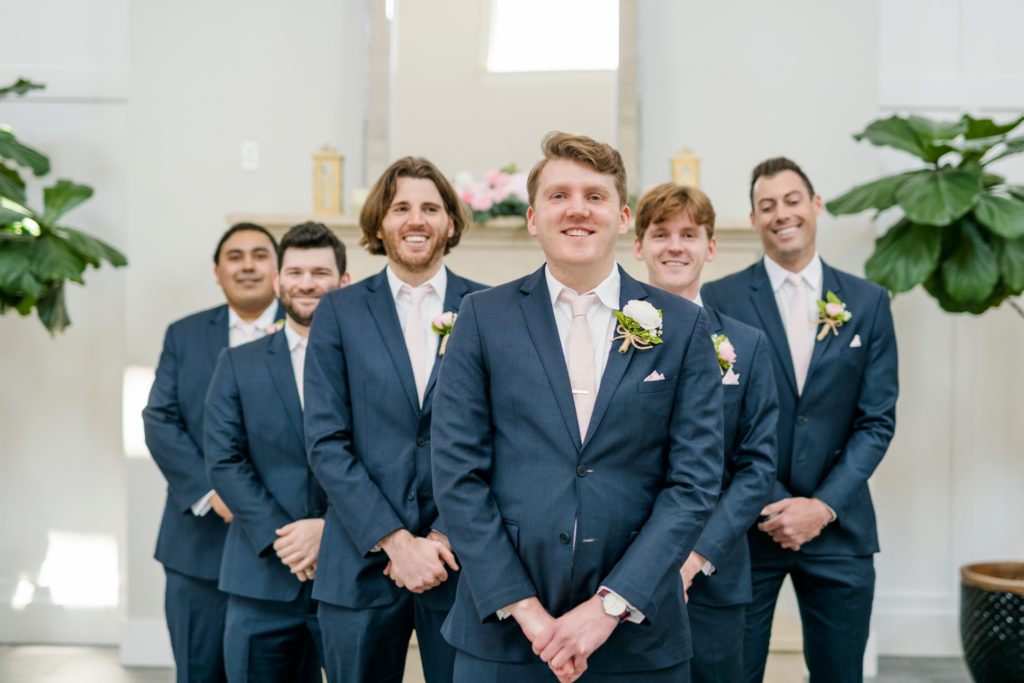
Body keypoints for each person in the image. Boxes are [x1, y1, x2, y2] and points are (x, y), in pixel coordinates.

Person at [431, 132, 724, 683]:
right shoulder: (482, 317)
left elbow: (694, 483)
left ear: (623, 217)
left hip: (638, 634)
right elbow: (457, 475)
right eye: (559, 195)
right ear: (533, 218)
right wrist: (526, 610)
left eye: (595, 196)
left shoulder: (684, 326)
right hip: (504, 631)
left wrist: (610, 606)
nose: (577, 210)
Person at [701, 157, 899, 683]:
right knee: (733, 673)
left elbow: (876, 421)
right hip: (748, 528)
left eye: (792, 201)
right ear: (754, 219)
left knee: (840, 674)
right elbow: (719, 420)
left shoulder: (868, 302)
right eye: (767, 206)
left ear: (815, 205)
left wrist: (822, 507)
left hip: (840, 528)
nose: (781, 214)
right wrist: (773, 503)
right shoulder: (719, 299)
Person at [303, 156, 486, 683]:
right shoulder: (338, 312)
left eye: (430, 207)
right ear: (379, 224)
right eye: (401, 207)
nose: (416, 219)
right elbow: (326, 441)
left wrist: (443, 536)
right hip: (359, 561)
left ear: (450, 222)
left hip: (462, 563)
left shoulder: (488, 307)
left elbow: (503, 434)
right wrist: (396, 541)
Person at [633, 182, 778, 683]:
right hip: (620, 569)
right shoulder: (610, 336)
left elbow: (757, 467)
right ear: (638, 246)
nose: (675, 246)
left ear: (710, 247)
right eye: (660, 234)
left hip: (714, 574)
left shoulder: (747, 345)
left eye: (689, 234)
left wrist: (695, 559)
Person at [204, 222, 349, 682]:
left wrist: (330, 530)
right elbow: (224, 460)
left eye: (320, 273)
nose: (307, 283)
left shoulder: (371, 361)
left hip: (350, 577)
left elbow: (390, 456)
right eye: (295, 272)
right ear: (277, 280)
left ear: (344, 281)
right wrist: (285, 539)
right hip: (261, 575)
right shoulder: (238, 363)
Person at [143, 223, 282, 683]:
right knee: (200, 672)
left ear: (278, 268)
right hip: (197, 545)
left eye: (260, 255)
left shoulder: (316, 328)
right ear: (217, 271)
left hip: (288, 544)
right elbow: (160, 419)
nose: (247, 266)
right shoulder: (183, 334)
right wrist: (213, 491)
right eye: (235, 257)